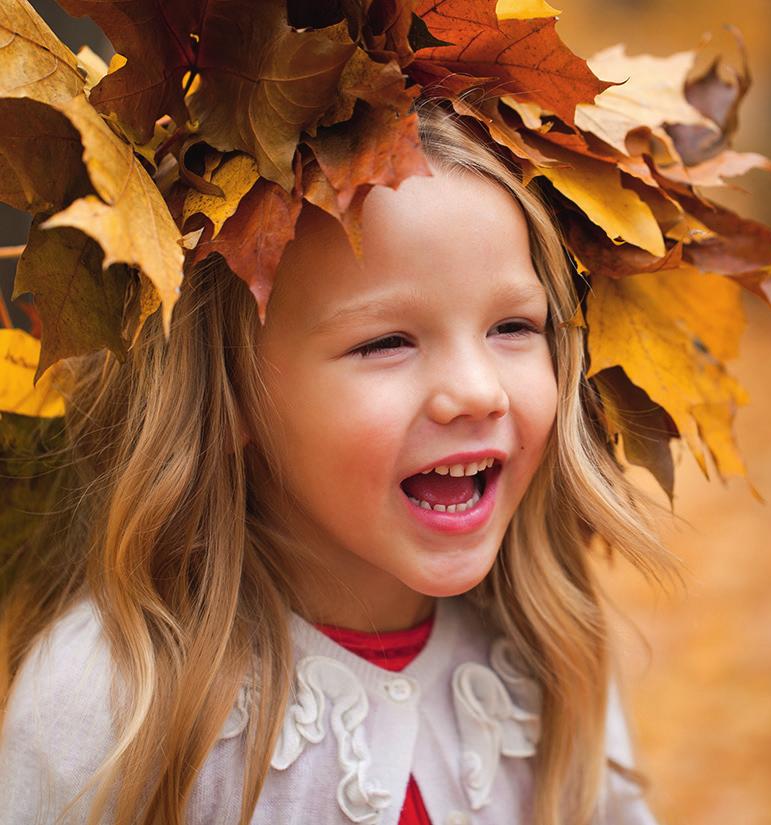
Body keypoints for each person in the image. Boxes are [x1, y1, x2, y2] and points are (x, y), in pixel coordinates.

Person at [0, 99, 673, 825]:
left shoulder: (552, 655)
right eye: (387, 342)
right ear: (231, 397)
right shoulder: (115, 703)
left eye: (513, 326)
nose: (478, 391)